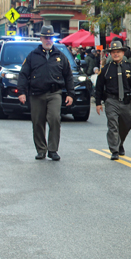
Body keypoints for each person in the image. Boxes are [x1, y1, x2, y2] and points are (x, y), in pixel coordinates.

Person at [17, 25, 75, 161]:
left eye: (50, 37)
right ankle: (41, 150)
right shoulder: (33, 56)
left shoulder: (60, 56)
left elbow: (69, 76)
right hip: (37, 94)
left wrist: (71, 94)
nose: (48, 40)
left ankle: (53, 149)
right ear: (41, 38)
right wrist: (21, 92)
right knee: (38, 122)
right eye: (46, 37)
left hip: (54, 93)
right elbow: (23, 74)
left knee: (54, 119)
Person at [94, 41, 131, 160]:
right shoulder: (106, 69)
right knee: (113, 125)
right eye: (113, 52)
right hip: (111, 100)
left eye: (118, 52)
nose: (116, 54)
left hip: (126, 101)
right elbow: (99, 87)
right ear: (110, 54)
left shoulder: (129, 67)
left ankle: (120, 142)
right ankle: (114, 150)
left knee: (126, 125)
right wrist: (98, 103)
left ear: (123, 53)